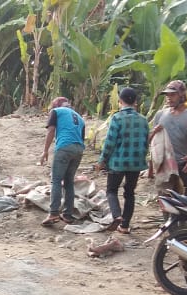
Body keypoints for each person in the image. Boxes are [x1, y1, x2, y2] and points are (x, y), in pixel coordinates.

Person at [97, 87, 150, 234]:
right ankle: (125, 226)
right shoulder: (143, 120)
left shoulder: (117, 118)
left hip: (118, 162)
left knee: (111, 191)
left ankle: (117, 216)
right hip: (136, 163)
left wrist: (102, 161)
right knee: (130, 193)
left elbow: (109, 143)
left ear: (120, 101)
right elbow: (146, 143)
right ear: (135, 102)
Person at [39, 96, 86, 226]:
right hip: (79, 150)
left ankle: (53, 212)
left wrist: (45, 151)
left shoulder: (56, 111)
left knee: (56, 180)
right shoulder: (80, 118)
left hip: (64, 147)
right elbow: (82, 138)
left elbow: (51, 130)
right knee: (69, 182)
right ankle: (68, 214)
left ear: (56, 105)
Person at [151, 80, 187, 197]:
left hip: (183, 163)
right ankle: (168, 216)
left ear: (182, 95)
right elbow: (152, 142)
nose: (169, 98)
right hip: (164, 165)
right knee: (165, 197)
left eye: (173, 94)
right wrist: (154, 132)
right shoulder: (160, 115)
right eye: (167, 95)